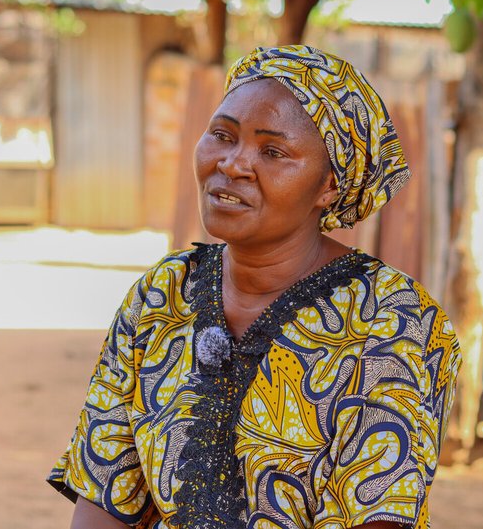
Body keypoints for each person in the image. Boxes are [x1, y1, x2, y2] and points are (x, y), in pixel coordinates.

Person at [48, 45, 462, 529]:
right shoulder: (162, 295)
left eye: (272, 151)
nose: (234, 163)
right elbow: (104, 497)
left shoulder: (392, 320)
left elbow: (381, 513)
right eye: (222, 135)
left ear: (329, 185)